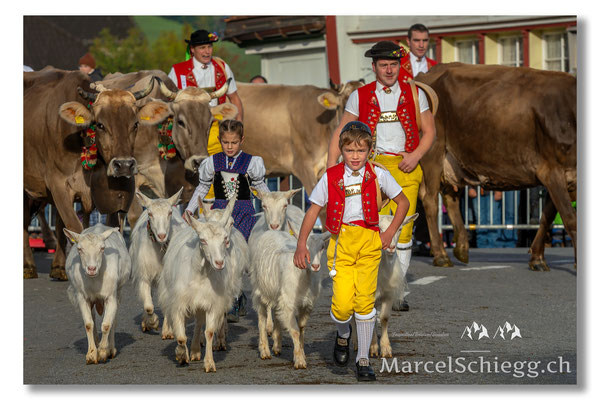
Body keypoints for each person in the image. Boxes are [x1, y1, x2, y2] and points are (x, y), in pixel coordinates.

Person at [294, 122, 409, 381]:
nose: (355, 156)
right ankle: (343, 335)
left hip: (369, 242)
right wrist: (302, 244)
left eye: (360, 150)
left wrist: (388, 232)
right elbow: (313, 209)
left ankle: (363, 359)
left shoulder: (378, 174)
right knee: (343, 305)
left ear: (370, 150)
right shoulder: (331, 176)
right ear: (341, 150)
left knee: (365, 302)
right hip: (341, 243)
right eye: (349, 150)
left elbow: (403, 201)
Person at [327, 41, 436, 312]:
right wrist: (331, 170)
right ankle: (372, 286)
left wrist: (415, 156)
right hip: (370, 169)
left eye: (394, 64)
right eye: (384, 65)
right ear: (374, 67)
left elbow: (430, 131)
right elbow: (341, 131)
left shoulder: (415, 93)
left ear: (400, 65)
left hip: (405, 165)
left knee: (403, 229)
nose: (389, 70)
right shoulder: (359, 95)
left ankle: (396, 290)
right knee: (371, 226)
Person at [184, 119, 269, 322]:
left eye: (234, 142)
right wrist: (190, 209)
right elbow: (203, 187)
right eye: (225, 142)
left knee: (237, 256)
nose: (230, 147)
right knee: (221, 254)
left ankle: (236, 296)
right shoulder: (212, 162)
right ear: (219, 140)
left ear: (242, 140)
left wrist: (271, 203)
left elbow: (260, 187)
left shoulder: (251, 162)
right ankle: (227, 297)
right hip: (219, 216)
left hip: (243, 213)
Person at [169, 29, 244, 202]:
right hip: (190, 129)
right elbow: (169, 100)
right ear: (193, 49)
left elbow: (234, 98)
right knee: (197, 173)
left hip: (218, 125)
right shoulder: (177, 71)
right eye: (202, 47)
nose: (207, 51)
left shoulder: (222, 67)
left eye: (209, 47)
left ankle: (225, 208)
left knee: (223, 170)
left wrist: (239, 126)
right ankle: (198, 209)